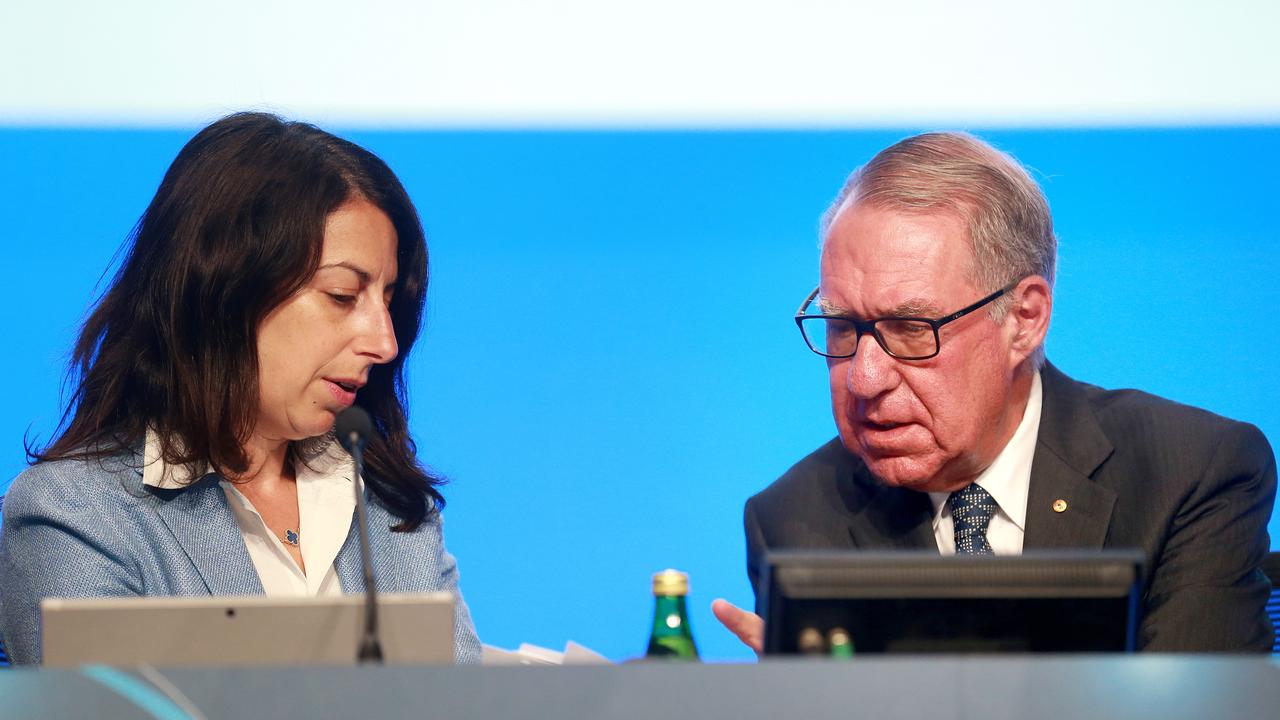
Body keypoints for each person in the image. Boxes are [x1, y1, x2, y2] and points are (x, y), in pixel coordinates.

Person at [712, 132, 1276, 653]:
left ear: (1024, 319)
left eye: (911, 330)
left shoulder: (1188, 474)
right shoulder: (796, 521)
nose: (864, 379)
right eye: (841, 328)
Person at [0, 112, 481, 664]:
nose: (385, 341)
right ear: (226, 292)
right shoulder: (77, 516)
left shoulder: (388, 503)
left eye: (389, 300)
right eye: (343, 296)